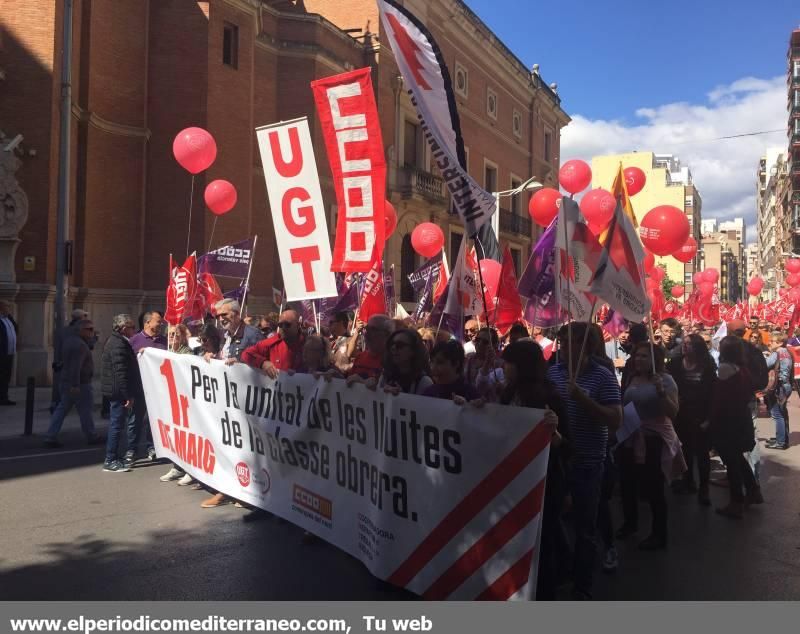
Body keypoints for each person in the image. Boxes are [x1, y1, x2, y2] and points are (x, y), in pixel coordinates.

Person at [546, 322, 622, 600]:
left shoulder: (602, 377)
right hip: (557, 460)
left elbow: (615, 419)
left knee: (585, 528)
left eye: (570, 342)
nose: (563, 347)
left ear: (586, 346)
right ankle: (566, 568)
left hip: (588, 463)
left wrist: (583, 400)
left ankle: (583, 585)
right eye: (562, 342)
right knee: (554, 521)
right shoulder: (553, 372)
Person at [499, 340, 566, 598]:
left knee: (543, 543)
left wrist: (555, 430)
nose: (503, 368)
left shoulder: (549, 396)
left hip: (545, 483)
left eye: (509, 363)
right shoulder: (506, 394)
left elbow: (567, 446)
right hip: (513, 483)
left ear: (522, 366)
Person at [620, 343, 683, 550]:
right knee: (628, 483)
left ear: (655, 360)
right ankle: (630, 523)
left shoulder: (666, 380)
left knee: (654, 488)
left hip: (654, 439)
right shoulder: (632, 377)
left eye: (644, 356)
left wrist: (661, 393)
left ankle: (659, 534)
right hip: (631, 434)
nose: (638, 359)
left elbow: (673, 413)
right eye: (637, 355)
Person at [711, 336, 764, 518]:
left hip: (728, 420)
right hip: (741, 417)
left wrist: (710, 420)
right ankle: (753, 490)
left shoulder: (725, 368)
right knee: (737, 458)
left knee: (731, 462)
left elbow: (719, 399)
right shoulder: (743, 368)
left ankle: (737, 501)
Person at [669, 334, 718, 504]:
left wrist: (709, 419)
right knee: (685, 451)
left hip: (700, 417)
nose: (685, 345)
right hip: (681, 415)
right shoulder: (675, 364)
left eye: (689, 343)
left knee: (702, 455)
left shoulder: (707, 365)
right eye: (684, 342)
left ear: (697, 347)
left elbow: (713, 395)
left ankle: (704, 489)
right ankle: (688, 481)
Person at [44, 319, 102, 447]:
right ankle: (91, 435)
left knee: (62, 409)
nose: (92, 332)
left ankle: (50, 435)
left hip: (67, 381)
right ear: (81, 330)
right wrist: (75, 385)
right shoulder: (80, 345)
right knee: (85, 411)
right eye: (89, 329)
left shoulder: (71, 341)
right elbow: (76, 367)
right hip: (80, 383)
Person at [100, 314, 142, 473]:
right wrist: (127, 395)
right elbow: (121, 372)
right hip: (118, 392)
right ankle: (110, 459)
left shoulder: (117, 341)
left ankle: (113, 457)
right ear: (123, 328)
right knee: (116, 425)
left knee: (117, 424)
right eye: (131, 327)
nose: (134, 330)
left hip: (116, 390)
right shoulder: (118, 344)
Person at [240, 308, 304, 377]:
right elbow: (246, 354)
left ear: (298, 325)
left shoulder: (309, 344)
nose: (283, 328)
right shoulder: (272, 342)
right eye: (280, 325)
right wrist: (263, 363)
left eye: (287, 325)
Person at [51, 308, 89, 412]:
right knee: (83, 408)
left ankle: (57, 405)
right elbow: (87, 346)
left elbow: (58, 347)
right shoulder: (80, 331)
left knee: (64, 402)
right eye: (85, 316)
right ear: (81, 318)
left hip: (64, 365)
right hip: (77, 370)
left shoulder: (63, 330)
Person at [378, 329, 433, 395]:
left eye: (400, 345)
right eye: (391, 344)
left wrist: (403, 397)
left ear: (413, 350)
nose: (393, 347)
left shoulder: (423, 382)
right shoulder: (386, 375)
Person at [213, 299, 264, 363]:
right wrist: (213, 356)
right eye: (217, 316)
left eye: (224, 314)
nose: (220, 319)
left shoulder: (253, 334)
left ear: (237, 313)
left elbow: (264, 361)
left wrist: (239, 360)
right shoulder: (222, 335)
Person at [765, 330, 792, 450]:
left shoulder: (776, 353)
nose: (770, 343)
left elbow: (765, 364)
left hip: (779, 387)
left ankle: (780, 442)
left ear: (780, 343)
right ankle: (782, 438)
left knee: (777, 415)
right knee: (783, 413)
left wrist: (767, 355)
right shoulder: (787, 352)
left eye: (772, 341)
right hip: (785, 385)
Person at [345, 315, 394, 380]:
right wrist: (337, 378)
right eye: (367, 328)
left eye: (373, 329)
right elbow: (348, 382)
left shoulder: (394, 361)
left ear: (387, 334)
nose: (367, 333)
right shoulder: (360, 357)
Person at [464, 327, 504, 401]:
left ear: (495, 345)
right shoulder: (469, 359)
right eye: (478, 340)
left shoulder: (500, 364)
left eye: (485, 342)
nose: (480, 343)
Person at [0, 299, 18, 406]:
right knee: (1, 376)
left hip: (9, 352)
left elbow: (16, 328)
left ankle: (4, 397)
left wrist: (10, 316)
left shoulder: (8, 319)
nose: (9, 309)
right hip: (2, 353)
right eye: (7, 307)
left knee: (7, 376)